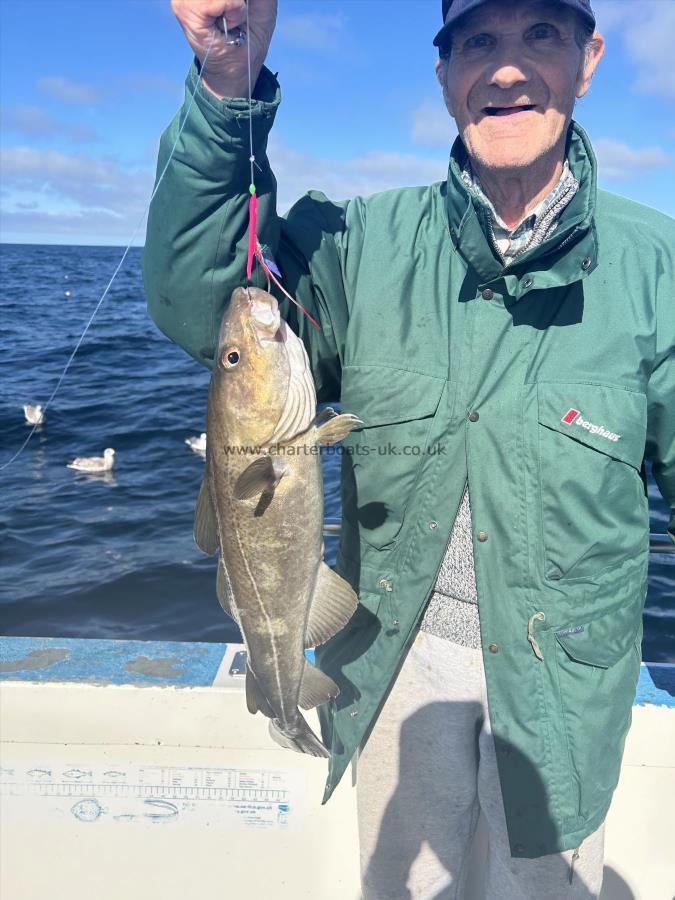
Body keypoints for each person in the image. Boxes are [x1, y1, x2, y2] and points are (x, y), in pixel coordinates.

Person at [143, 0, 675, 896]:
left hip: (563, 692)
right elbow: (206, 305)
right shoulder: (356, 244)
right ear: (442, 74)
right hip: (392, 667)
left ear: (588, 61)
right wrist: (225, 79)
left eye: (539, 35)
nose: (506, 68)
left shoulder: (657, 265)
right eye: (478, 42)